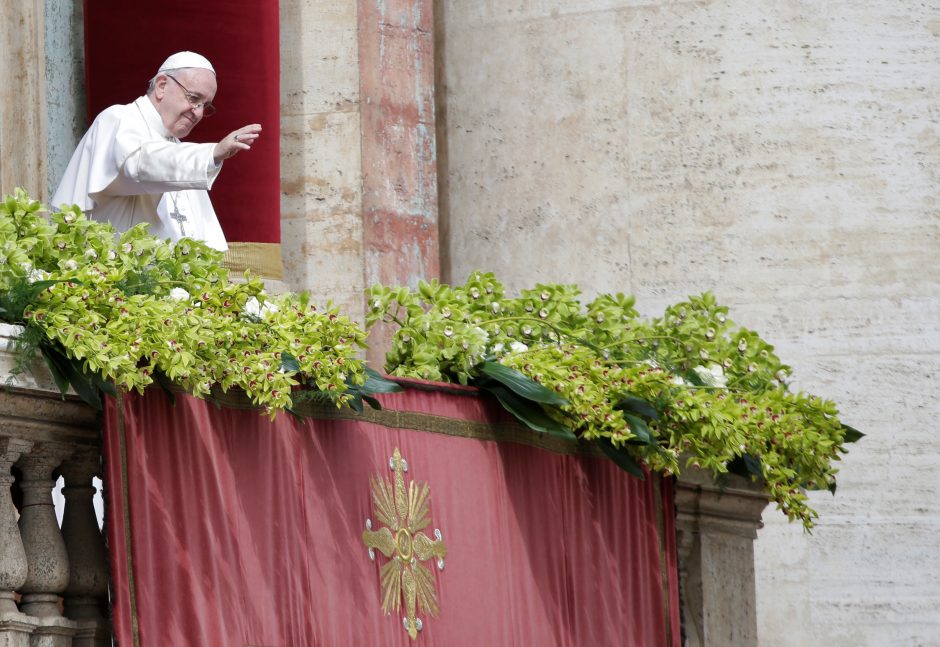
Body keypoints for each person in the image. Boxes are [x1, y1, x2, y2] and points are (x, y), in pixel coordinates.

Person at [52, 51, 261, 251]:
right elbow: (139, 165)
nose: (198, 112)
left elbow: (204, 240)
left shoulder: (180, 150)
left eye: (205, 105)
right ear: (162, 85)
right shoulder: (118, 119)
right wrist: (212, 153)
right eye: (193, 98)